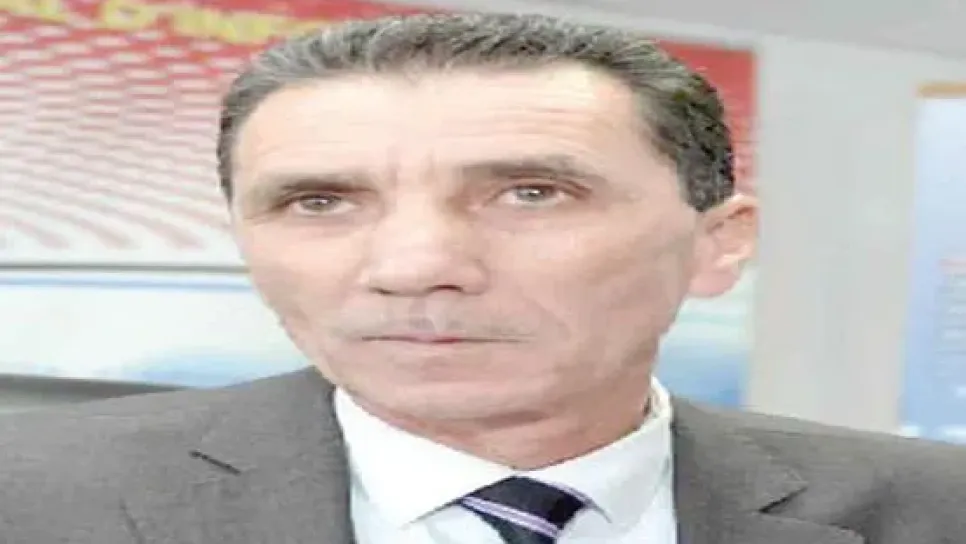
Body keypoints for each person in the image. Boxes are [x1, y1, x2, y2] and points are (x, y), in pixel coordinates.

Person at [1, 12, 962, 544]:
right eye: (320, 202)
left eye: (531, 194)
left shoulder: (935, 509)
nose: (413, 267)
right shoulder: (29, 498)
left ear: (719, 244)